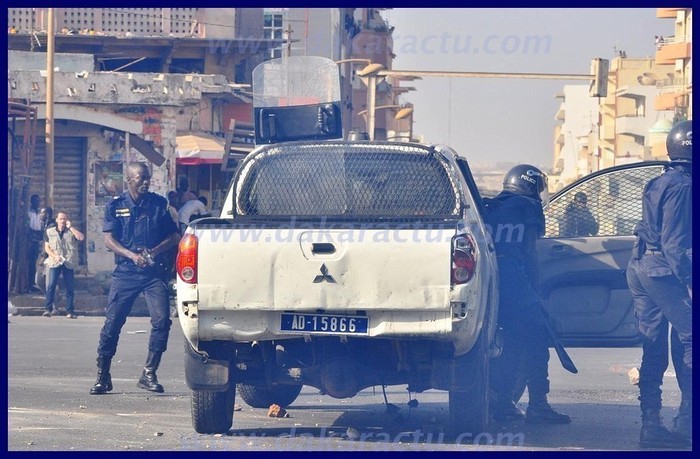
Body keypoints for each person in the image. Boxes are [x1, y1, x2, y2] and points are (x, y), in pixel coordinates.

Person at [487, 164, 571, 424]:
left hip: (489, 280)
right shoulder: (528, 206)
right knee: (535, 339)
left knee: (510, 342)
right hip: (515, 280)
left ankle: (499, 401)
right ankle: (537, 406)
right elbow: (530, 252)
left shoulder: (490, 206)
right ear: (531, 184)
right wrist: (536, 294)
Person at [626, 120, 692, 449]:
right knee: (693, 337)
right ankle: (688, 420)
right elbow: (676, 244)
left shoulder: (659, 180)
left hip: (640, 266)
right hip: (663, 270)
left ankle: (650, 425)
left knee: (653, 348)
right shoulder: (683, 186)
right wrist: (690, 282)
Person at [90, 163, 180, 395]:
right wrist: (132, 255)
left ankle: (149, 373)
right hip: (126, 273)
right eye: (140, 178)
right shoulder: (116, 205)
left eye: (147, 178)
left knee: (162, 320)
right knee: (113, 323)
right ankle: (103, 376)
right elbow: (109, 239)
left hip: (152, 274)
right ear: (129, 179)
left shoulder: (159, 204)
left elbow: (174, 235)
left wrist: (155, 252)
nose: (145, 182)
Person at [42, 212, 85, 318]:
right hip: (55, 261)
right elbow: (47, 247)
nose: (62, 221)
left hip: (68, 262)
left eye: (64, 219)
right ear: (56, 220)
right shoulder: (49, 232)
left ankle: (70, 311)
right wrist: (53, 255)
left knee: (70, 287)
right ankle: (48, 309)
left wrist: (71, 227)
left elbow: (81, 238)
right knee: (51, 285)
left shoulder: (71, 232)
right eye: (61, 219)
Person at [27, 194, 43, 292]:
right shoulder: (28, 212)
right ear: (31, 202)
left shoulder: (39, 213)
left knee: (34, 263)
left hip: (36, 241)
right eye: (36, 201)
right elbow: (28, 228)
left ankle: (32, 284)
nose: (38, 203)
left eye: (39, 201)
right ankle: (29, 285)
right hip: (29, 241)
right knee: (29, 263)